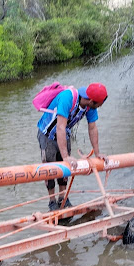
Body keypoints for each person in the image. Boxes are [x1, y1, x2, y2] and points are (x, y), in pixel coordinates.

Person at [36, 82, 108, 212]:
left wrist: (98, 153)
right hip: (47, 134)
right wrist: (66, 156)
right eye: (98, 105)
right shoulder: (67, 98)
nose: (98, 107)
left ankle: (63, 199)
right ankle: (52, 202)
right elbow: (60, 127)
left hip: (64, 133)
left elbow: (92, 128)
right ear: (91, 100)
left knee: (66, 169)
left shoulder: (90, 107)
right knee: (50, 168)